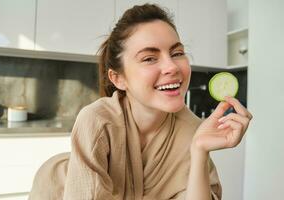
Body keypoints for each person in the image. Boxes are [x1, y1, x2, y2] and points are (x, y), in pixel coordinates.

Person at [29, 4, 252, 200]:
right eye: (149, 58)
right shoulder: (97, 121)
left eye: (177, 53)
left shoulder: (193, 131)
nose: (172, 67)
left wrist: (200, 150)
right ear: (119, 78)